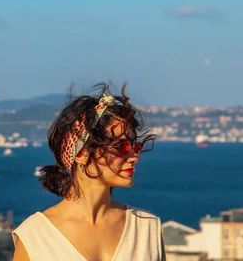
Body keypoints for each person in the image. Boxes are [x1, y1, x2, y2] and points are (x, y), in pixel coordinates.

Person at [12, 83, 166, 261]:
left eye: (134, 146)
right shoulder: (36, 237)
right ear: (81, 154)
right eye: (120, 147)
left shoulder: (147, 227)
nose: (134, 157)